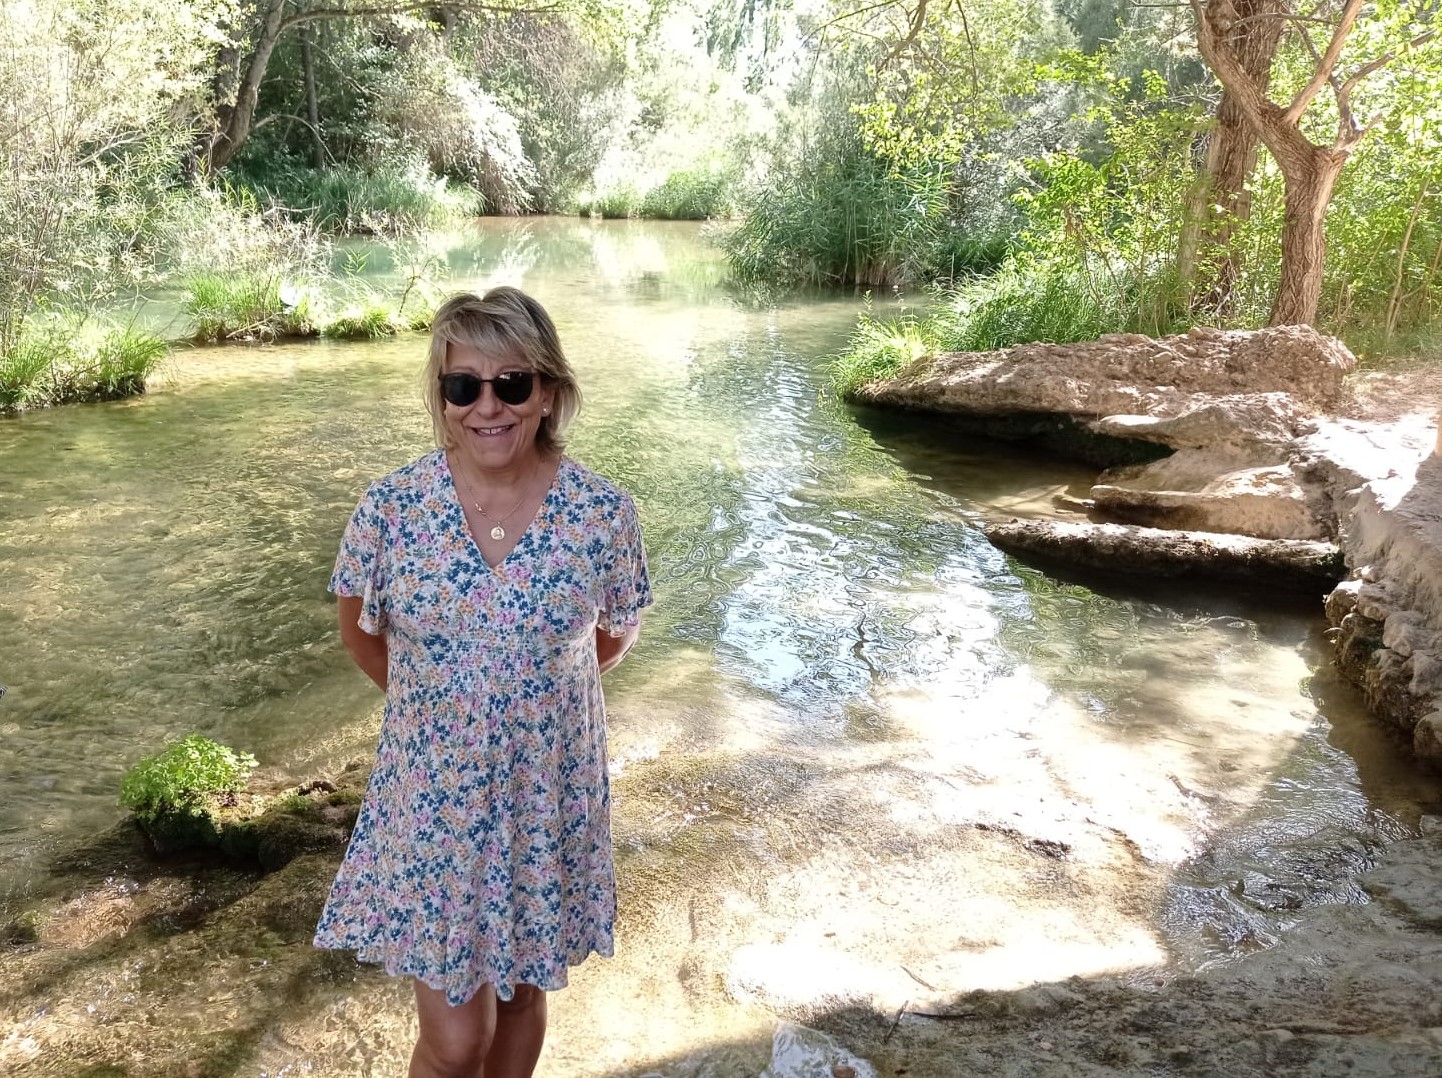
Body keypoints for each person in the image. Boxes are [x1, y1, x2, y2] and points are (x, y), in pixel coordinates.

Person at [314, 287, 652, 1078]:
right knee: (457, 1042)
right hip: (436, 800)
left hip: (547, 793)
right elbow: (359, 632)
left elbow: (613, 633)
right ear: (442, 397)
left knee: (525, 997)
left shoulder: (603, 513)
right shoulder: (391, 509)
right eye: (463, 385)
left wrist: (528, 691)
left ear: (549, 392)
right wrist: (445, 706)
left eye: (512, 383)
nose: (486, 406)